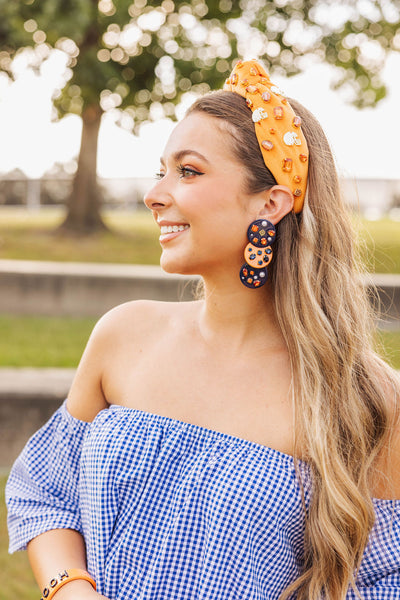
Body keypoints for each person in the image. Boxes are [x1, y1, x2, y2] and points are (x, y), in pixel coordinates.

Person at [6, 58, 400, 600]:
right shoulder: (124, 336)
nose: (155, 194)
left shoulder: (362, 395)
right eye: (160, 170)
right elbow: (44, 492)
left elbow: (382, 581)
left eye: (188, 172)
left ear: (271, 203)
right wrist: (70, 589)